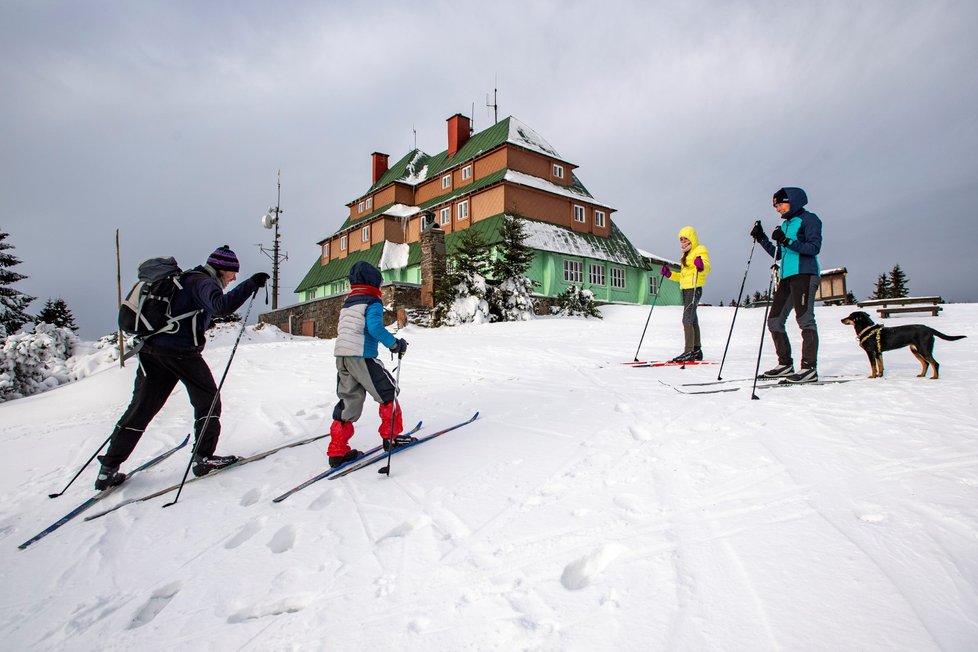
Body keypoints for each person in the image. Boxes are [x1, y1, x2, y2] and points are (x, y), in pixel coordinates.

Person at [94, 246, 269, 490]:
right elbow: (221, 306)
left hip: (151, 352)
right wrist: (252, 283)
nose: (234, 278)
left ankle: (108, 469)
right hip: (180, 353)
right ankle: (203, 458)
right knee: (208, 401)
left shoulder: (186, 280)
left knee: (141, 409)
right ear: (222, 269)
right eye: (233, 273)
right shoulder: (202, 282)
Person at [327, 261, 412, 468]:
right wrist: (394, 344)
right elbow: (374, 327)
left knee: (349, 401)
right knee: (388, 392)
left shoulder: (349, 303)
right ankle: (391, 437)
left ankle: (337, 451)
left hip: (342, 356)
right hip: (362, 356)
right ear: (374, 282)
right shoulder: (372, 301)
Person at [750, 187, 823, 383]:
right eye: (775, 205)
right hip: (787, 276)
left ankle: (809, 367)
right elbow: (779, 254)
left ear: (793, 201)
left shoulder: (810, 219)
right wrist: (762, 238)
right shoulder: (785, 226)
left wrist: (787, 240)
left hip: (805, 274)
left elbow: (814, 247)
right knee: (774, 320)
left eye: (780, 204)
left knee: (805, 319)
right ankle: (785, 364)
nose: (777, 208)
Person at [661, 226, 711, 362]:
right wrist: (670, 274)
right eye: (681, 240)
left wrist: (701, 266)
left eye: (685, 239)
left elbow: (707, 267)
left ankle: (689, 351)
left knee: (687, 318)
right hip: (686, 288)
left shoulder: (700, 250)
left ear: (692, 238)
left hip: (695, 287)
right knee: (692, 318)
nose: (683, 242)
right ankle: (696, 350)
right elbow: (683, 276)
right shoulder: (685, 255)